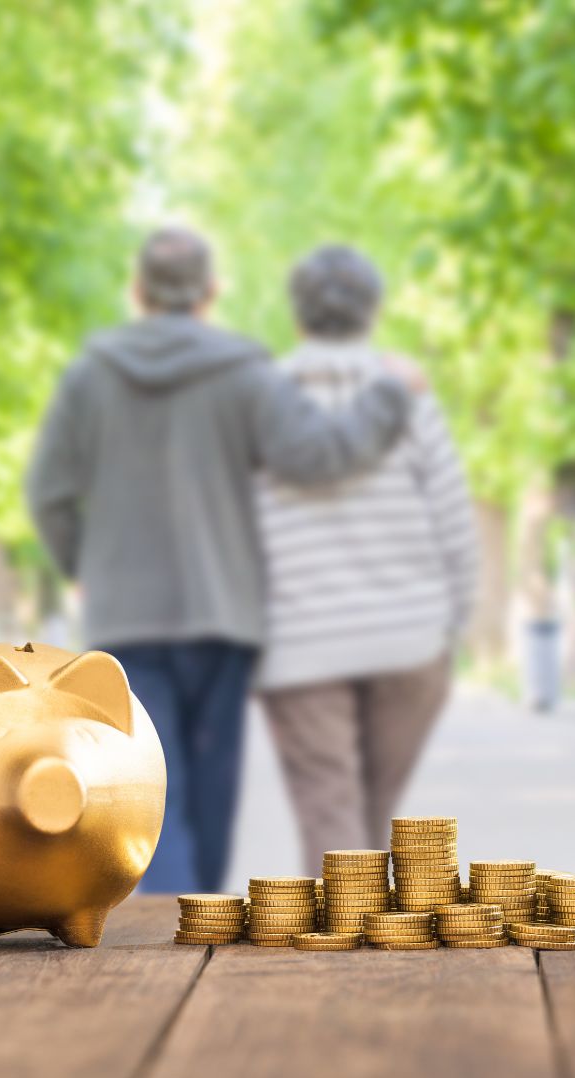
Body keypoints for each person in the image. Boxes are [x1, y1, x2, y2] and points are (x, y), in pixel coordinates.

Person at [27, 227, 419, 893]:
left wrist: (85, 567)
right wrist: (388, 396)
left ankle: (165, 936)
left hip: (127, 622)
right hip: (222, 616)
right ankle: (192, 926)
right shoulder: (244, 372)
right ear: (211, 292)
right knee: (209, 803)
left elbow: (49, 492)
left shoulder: (90, 376)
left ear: (138, 290)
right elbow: (318, 455)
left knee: (149, 793)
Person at [256, 244, 478, 872]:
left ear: (297, 315)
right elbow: (454, 521)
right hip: (409, 641)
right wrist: (449, 626)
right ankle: (371, 951)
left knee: (333, 820)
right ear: (371, 313)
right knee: (368, 819)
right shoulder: (409, 395)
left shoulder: (261, 399)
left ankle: (343, 961)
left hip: (301, 643)